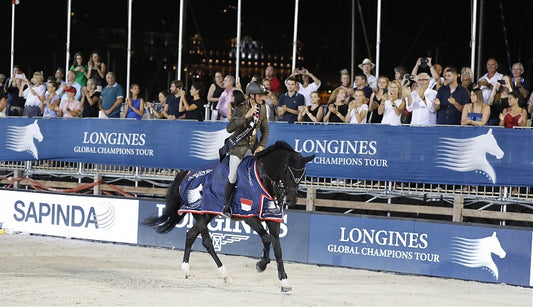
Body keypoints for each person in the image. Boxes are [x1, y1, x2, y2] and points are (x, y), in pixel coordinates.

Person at [221, 83, 269, 218]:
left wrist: (262, 145)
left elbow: (265, 129)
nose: (261, 98)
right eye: (259, 95)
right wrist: (246, 117)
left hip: (254, 149)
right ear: (252, 96)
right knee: (233, 175)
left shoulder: (263, 108)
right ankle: (226, 206)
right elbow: (229, 128)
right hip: (238, 148)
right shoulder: (241, 108)